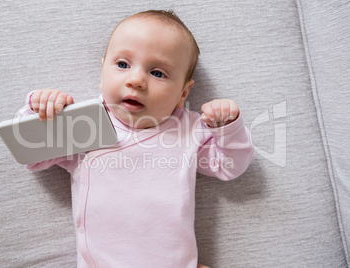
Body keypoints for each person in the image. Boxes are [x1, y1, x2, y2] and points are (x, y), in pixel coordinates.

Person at [21, 10, 253, 268]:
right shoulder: (86, 122)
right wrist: (41, 110)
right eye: (122, 65)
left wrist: (228, 128)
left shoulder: (190, 129)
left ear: (183, 93)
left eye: (157, 73)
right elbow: (31, 152)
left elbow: (230, 166)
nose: (136, 80)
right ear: (102, 73)